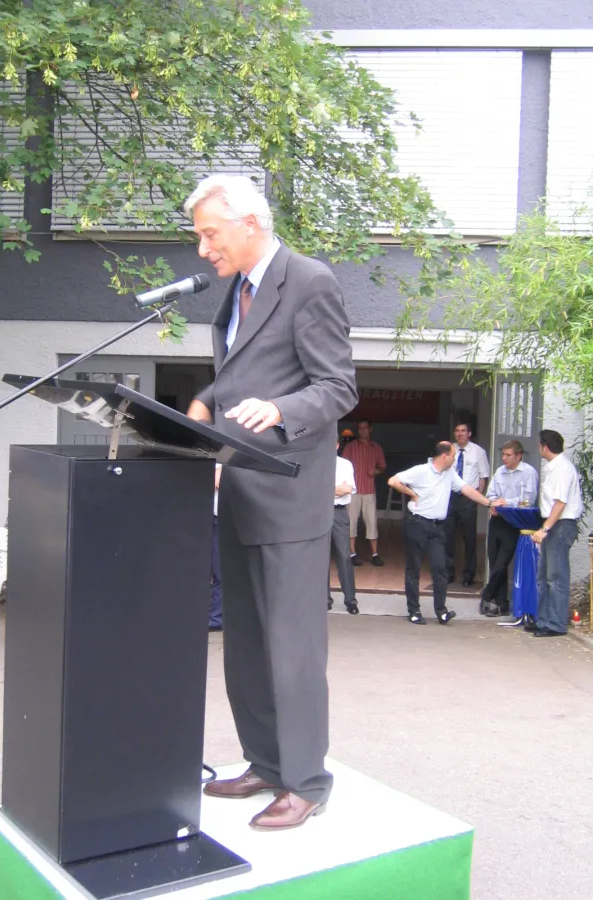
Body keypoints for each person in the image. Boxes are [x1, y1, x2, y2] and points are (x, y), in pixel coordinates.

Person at [184, 175, 357, 830]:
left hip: (288, 495)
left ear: (248, 222)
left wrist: (281, 409)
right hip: (238, 493)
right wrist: (205, 402)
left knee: (291, 646)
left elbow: (336, 387)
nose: (203, 250)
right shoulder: (234, 294)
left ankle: (306, 780)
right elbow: (241, 375)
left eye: (209, 234)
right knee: (248, 645)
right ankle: (264, 762)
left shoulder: (307, 281)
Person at [388, 441, 496, 625]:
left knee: (440, 569)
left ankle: (441, 610)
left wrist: (489, 503)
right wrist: (412, 494)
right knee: (414, 569)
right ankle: (414, 610)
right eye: (453, 456)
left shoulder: (449, 474)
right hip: (417, 523)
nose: (455, 459)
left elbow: (467, 489)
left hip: (437, 527)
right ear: (445, 456)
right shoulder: (421, 470)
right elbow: (393, 481)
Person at [526, 430, 583, 637]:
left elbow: (560, 504)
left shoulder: (562, 469)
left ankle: (555, 624)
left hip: (560, 525)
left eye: (539, 445)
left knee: (555, 577)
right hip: (554, 524)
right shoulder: (555, 467)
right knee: (544, 576)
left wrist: (545, 529)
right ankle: (544, 620)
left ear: (545, 447)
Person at [481, 441, 539, 617]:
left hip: (513, 521)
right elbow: (491, 493)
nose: (504, 458)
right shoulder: (500, 471)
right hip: (497, 519)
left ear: (518, 455)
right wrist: (494, 503)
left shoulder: (528, 472)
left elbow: (529, 498)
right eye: (503, 454)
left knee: (502, 562)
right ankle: (501, 603)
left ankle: (486, 594)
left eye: (508, 455)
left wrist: (506, 503)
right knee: (494, 561)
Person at [444, 422, 490, 586]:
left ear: (469, 433)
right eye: (457, 431)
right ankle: (448, 572)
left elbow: (483, 477)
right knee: (448, 536)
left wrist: (477, 498)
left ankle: (469, 574)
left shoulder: (478, 452)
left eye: (463, 431)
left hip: (468, 499)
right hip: (450, 498)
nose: (460, 434)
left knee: (469, 538)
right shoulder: (449, 450)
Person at [342, 420, 386, 567]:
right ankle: (352, 553)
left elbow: (382, 467)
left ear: (370, 429)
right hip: (353, 491)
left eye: (365, 428)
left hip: (368, 490)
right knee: (351, 522)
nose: (362, 431)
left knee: (371, 522)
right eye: (360, 429)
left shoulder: (376, 447)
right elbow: (342, 466)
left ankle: (374, 554)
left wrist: (376, 471)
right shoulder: (350, 447)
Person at [329, 440, 359, 615]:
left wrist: (326, 489)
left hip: (339, 512)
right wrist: (335, 489)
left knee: (344, 556)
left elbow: (348, 489)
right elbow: (311, 489)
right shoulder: (315, 461)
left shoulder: (345, 464)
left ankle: (350, 600)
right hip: (319, 512)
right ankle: (324, 599)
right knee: (321, 558)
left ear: (337, 445)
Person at [209, 464, 223, 632]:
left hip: (222, 516)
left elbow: (216, 481)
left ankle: (216, 618)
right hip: (213, 515)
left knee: (220, 571)